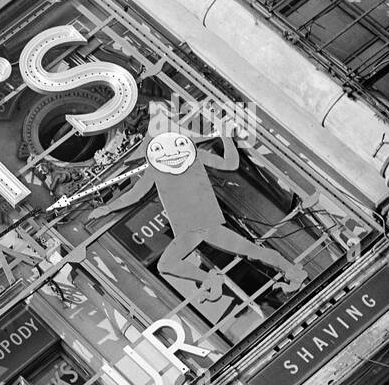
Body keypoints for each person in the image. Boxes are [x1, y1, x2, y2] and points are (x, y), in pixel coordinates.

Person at [90, 117, 307, 299]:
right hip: (190, 229)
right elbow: (134, 194)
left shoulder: (194, 157)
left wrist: (225, 136)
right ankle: (284, 272)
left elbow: (231, 164)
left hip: (201, 225)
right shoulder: (159, 168)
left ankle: (288, 272)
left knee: (247, 251)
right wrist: (108, 209)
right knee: (169, 264)